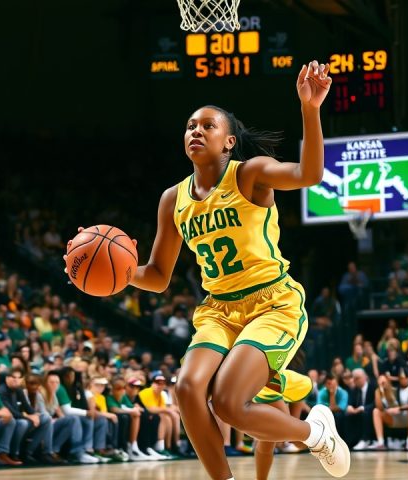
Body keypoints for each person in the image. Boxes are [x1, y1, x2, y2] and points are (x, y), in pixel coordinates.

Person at [67, 60, 347, 480]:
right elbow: (157, 275)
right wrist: (119, 275)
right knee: (186, 388)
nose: (195, 131)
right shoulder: (172, 199)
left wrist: (310, 108)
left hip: (272, 304)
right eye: (190, 126)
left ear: (229, 141)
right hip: (218, 310)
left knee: (230, 404)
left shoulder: (250, 174)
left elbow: (309, 174)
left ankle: (316, 434)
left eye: (207, 126)